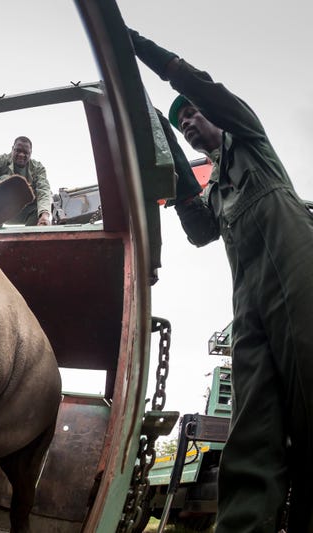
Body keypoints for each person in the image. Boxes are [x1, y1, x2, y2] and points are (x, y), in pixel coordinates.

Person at [130, 28, 313, 532]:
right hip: (249, 305)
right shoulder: (216, 192)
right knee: (253, 429)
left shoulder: (249, 139)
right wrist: (167, 153)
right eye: (181, 122)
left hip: (299, 275)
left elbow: (201, 86)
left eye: (191, 114)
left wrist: (137, 48)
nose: (188, 122)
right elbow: (199, 232)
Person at [0, 136, 53, 226]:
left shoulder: (38, 168)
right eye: (18, 150)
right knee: (5, 179)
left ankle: (31, 235)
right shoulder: (0, 160)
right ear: (12, 149)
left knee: (43, 208)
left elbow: (44, 191)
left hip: (25, 211)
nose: (21, 155)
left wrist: (45, 215)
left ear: (31, 153)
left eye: (26, 152)